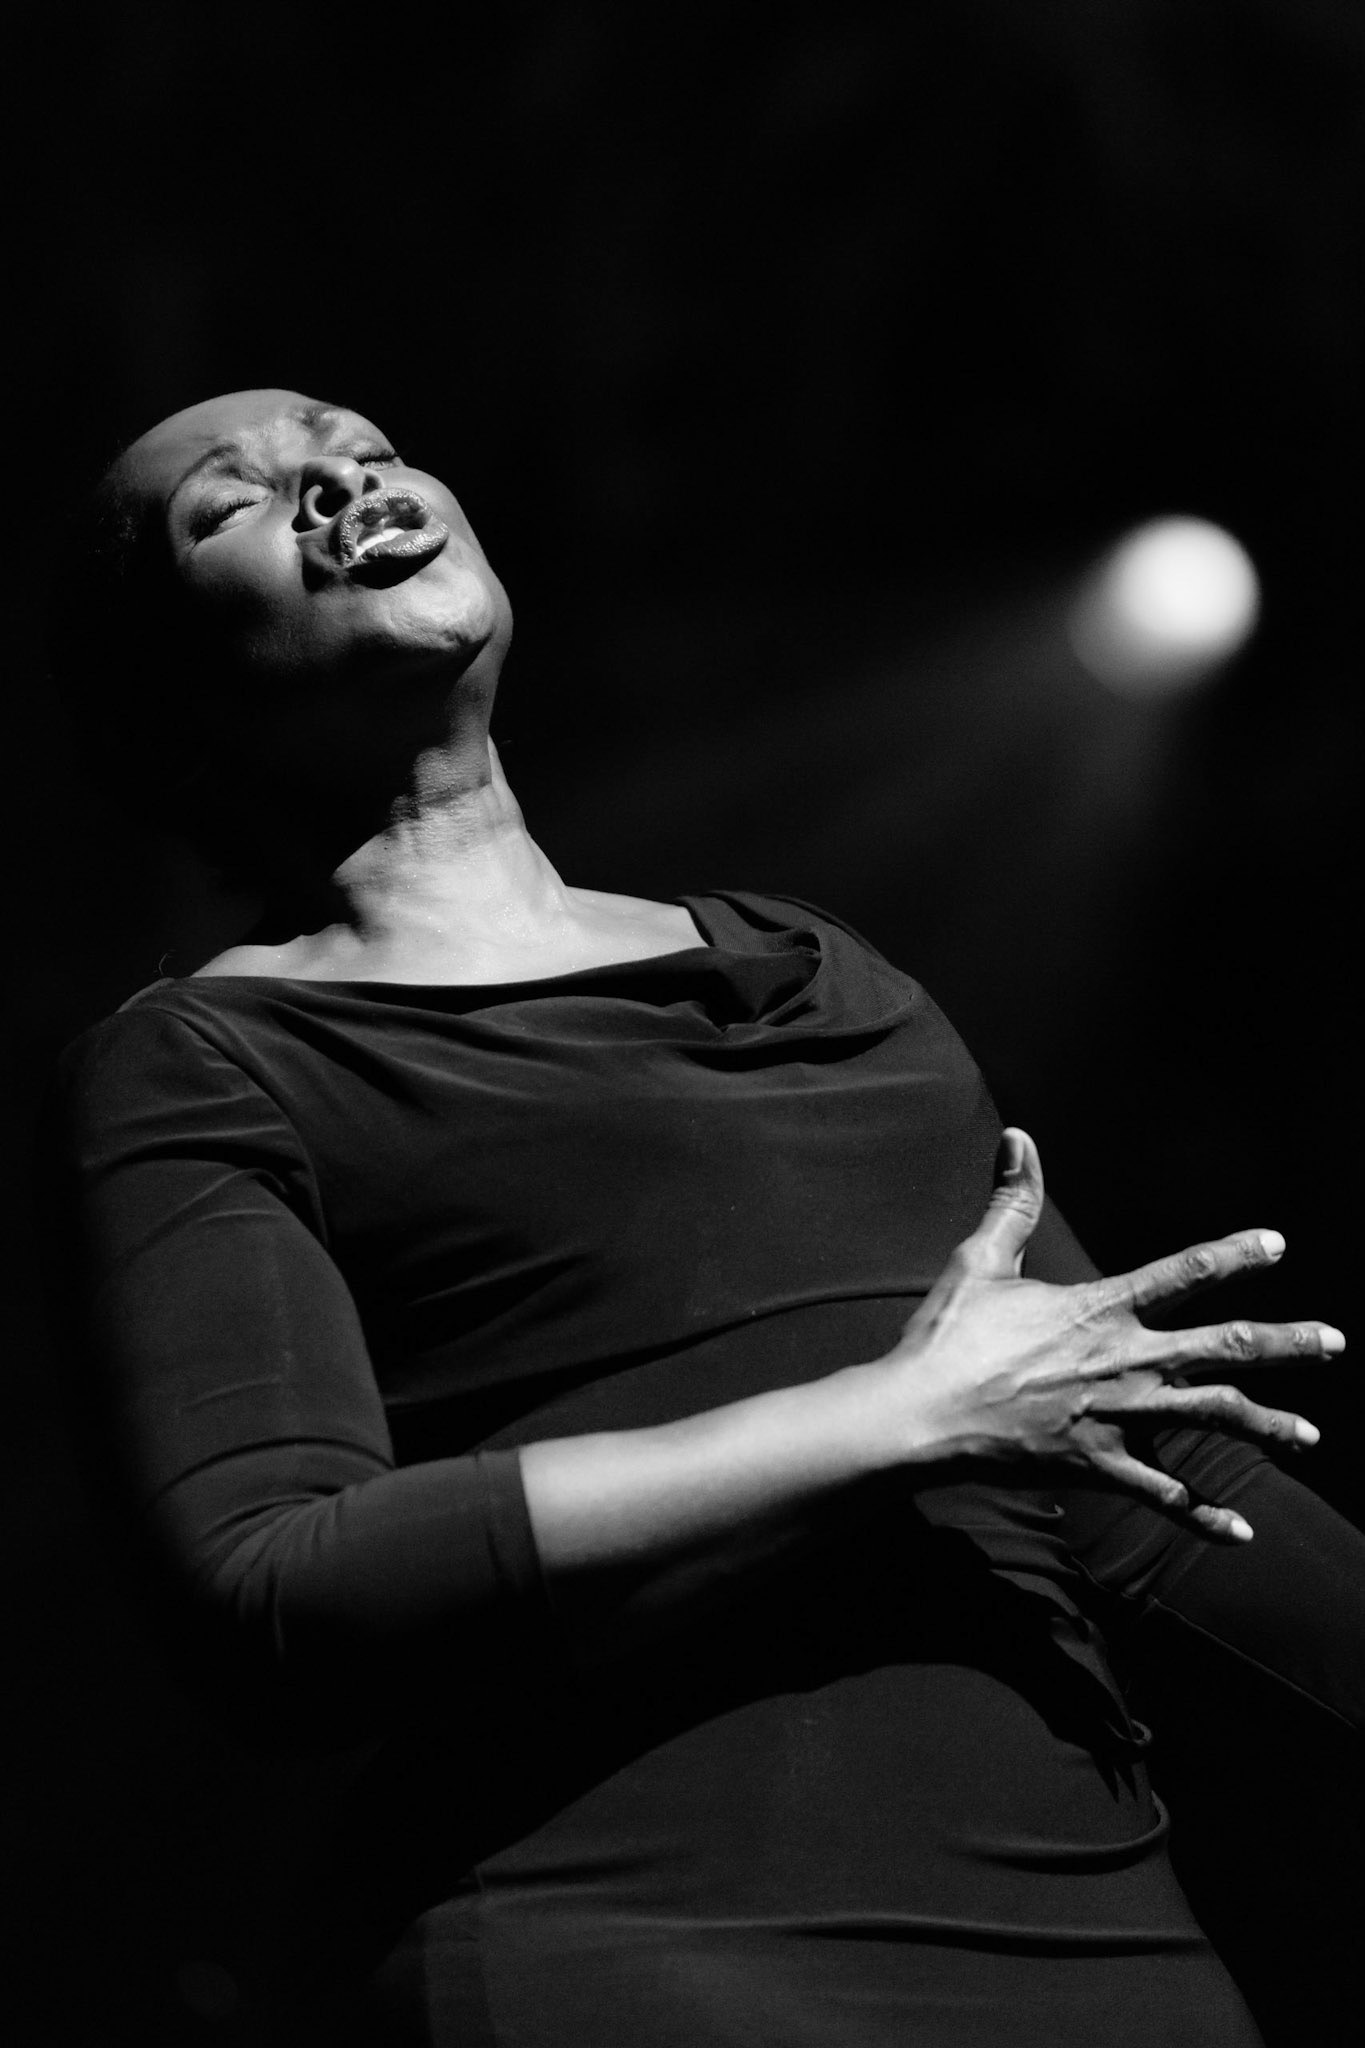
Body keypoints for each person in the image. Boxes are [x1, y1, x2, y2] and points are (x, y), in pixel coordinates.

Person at [49, 388, 1363, 2048]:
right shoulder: (209, 1059)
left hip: (1101, 1948)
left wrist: (971, 1414)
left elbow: (1137, 1459)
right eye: (222, 506)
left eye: (358, 444)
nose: (331, 479)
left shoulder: (810, 970)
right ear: (168, 703)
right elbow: (274, 1591)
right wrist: (893, 1419)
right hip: (625, 1952)